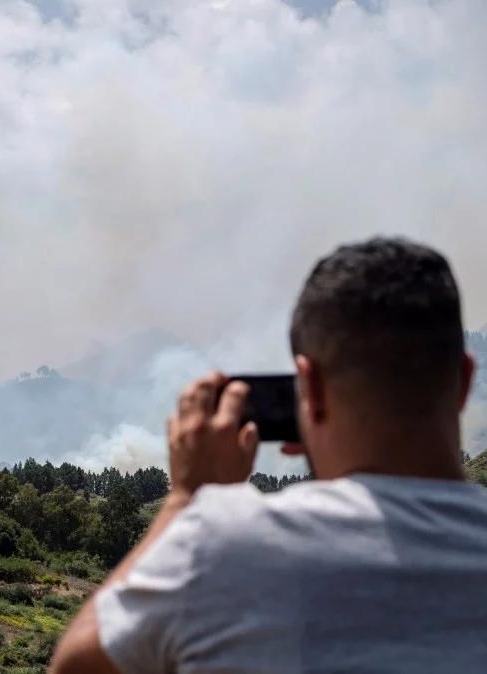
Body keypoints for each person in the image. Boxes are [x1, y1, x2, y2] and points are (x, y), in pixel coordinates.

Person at [50, 237, 487, 673]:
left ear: (309, 388)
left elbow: (74, 665)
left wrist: (187, 498)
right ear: (465, 380)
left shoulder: (226, 545)